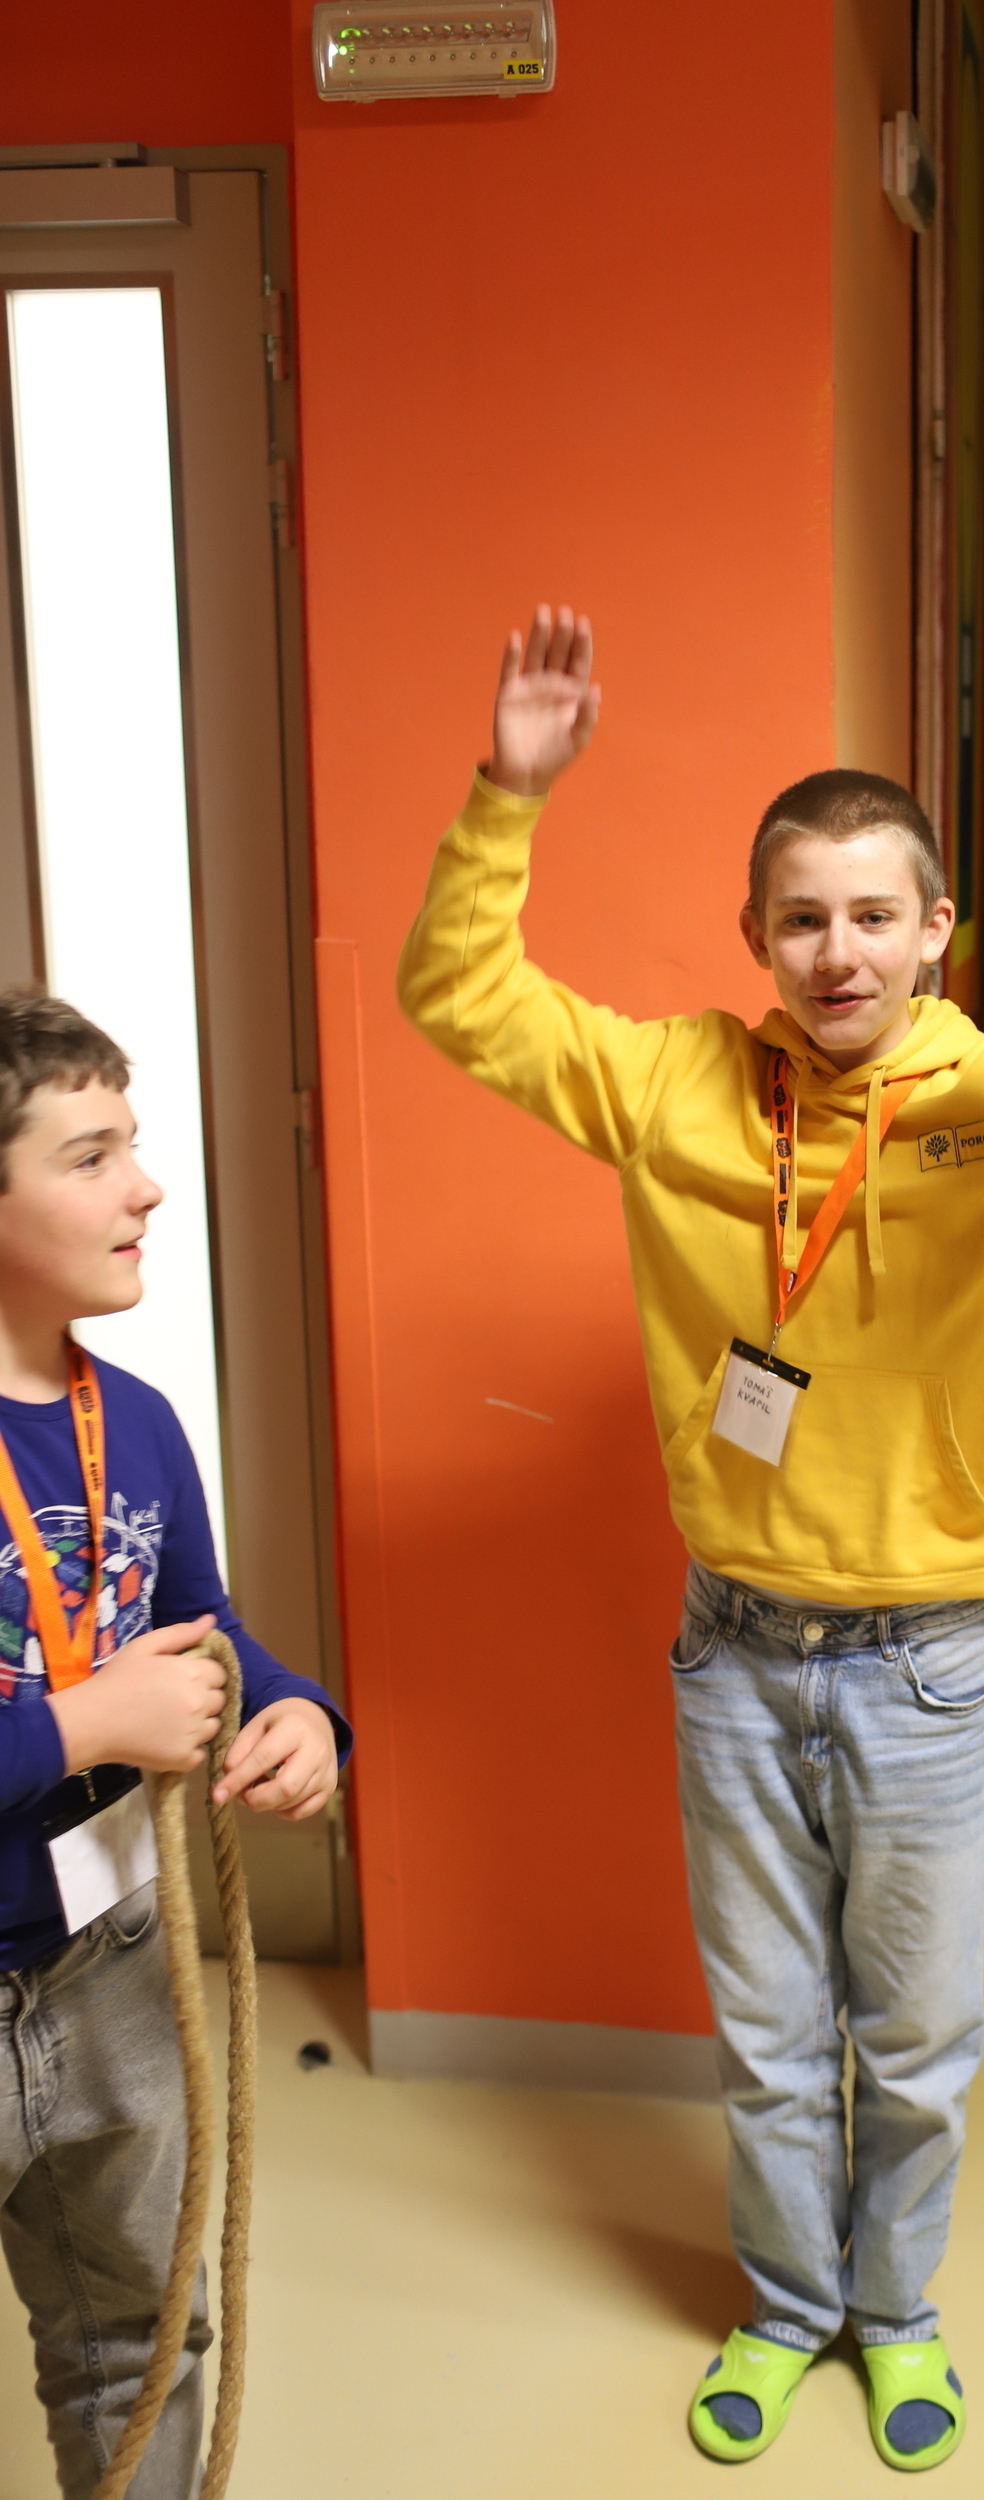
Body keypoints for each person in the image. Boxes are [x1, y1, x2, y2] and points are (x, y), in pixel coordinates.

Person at [397, 604, 984, 2471]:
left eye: (870, 915)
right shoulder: (677, 1087)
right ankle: (785, 2309)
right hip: (733, 1656)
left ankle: (896, 2316)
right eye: (799, 919)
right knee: (768, 2039)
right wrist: (506, 794)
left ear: (938, 933)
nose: (835, 951)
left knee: (912, 2046)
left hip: (927, 1668)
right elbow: (461, 997)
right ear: (754, 936)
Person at [0, 991, 349, 2499]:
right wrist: (83, 1723)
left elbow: (204, 1631)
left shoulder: (136, 1420)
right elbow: (108, 1700)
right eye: (91, 1157)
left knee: (137, 2343)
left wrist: (294, 1709)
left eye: (131, 1145)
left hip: (116, 1963)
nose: (146, 1186)